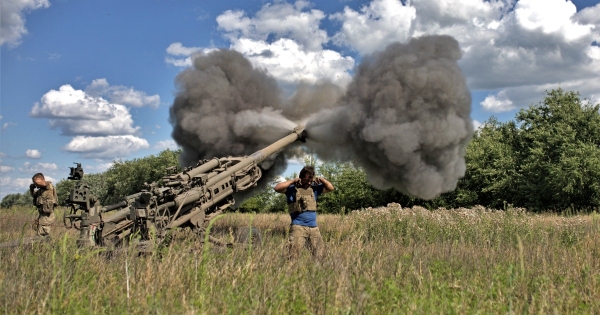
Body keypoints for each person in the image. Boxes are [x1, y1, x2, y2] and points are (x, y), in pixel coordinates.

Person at [274, 165, 334, 259]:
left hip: (314, 228)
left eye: (311, 180)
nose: (309, 182)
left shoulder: (314, 189)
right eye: (307, 180)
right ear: (301, 177)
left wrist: (322, 180)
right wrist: (293, 181)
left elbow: (331, 188)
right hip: (298, 227)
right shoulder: (292, 189)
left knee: (320, 256)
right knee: (292, 257)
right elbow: (277, 188)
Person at [29, 173, 58, 237]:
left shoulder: (48, 186)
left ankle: (45, 244)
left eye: (35, 181)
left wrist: (35, 182)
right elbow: (34, 195)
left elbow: (43, 183)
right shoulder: (41, 190)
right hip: (42, 214)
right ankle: (43, 244)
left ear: (41, 179)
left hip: (47, 215)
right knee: (40, 230)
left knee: (43, 232)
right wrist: (31, 188)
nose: (36, 184)